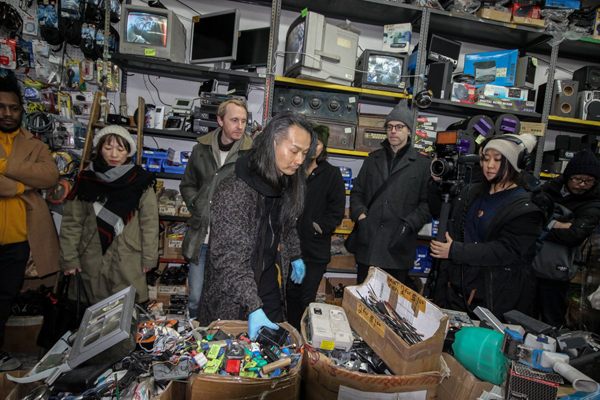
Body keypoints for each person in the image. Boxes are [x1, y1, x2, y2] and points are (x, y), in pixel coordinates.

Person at [198, 112, 316, 339]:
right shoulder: (235, 191)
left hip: (267, 279)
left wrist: (295, 256)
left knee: (275, 348)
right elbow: (229, 259)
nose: (300, 160)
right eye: (294, 151)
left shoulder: (283, 182)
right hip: (233, 289)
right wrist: (253, 306)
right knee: (231, 355)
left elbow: (287, 225)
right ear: (273, 143)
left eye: (304, 153)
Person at [430, 134, 545, 320]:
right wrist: (436, 184)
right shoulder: (472, 192)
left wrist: (455, 251)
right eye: (485, 158)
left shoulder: (525, 207)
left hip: (494, 297)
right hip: (457, 291)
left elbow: (506, 250)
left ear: (515, 162)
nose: (489, 165)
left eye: (497, 159)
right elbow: (438, 211)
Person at [59, 125, 159, 304]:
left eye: (120, 149)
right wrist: (69, 259)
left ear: (128, 151)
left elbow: (150, 222)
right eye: (108, 148)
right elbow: (72, 222)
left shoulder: (140, 181)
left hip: (128, 256)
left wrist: (149, 258)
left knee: (127, 311)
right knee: (91, 314)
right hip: (91, 255)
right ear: (99, 149)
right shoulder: (86, 179)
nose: (114, 154)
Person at [0, 76, 59, 371]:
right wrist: (22, 186)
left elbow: (49, 177)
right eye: (1, 107)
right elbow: (32, 180)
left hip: (17, 242)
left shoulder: (33, 145)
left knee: (4, 299)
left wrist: (5, 168)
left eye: (13, 108)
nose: (7, 113)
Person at [180, 99, 252, 319]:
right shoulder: (200, 150)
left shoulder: (251, 154)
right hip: (202, 236)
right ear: (220, 120)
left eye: (243, 121)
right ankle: (193, 340)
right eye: (234, 120)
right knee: (195, 297)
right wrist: (198, 205)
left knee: (226, 299)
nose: (239, 126)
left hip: (232, 242)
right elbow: (187, 184)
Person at [349, 100, 431, 284]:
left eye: (399, 127)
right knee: (362, 303)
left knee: (391, 307)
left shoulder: (422, 165)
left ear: (409, 130)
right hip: (369, 244)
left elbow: (426, 204)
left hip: (398, 247)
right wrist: (361, 217)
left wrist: (408, 225)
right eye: (390, 127)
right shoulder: (372, 159)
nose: (393, 131)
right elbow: (357, 193)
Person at [286, 125, 346, 330]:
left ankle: (303, 340)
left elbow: (337, 211)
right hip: (289, 248)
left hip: (314, 251)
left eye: (317, 143)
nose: (313, 147)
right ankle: (290, 338)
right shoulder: (293, 170)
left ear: (324, 146)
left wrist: (318, 227)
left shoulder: (332, 174)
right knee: (289, 296)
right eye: (310, 142)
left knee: (305, 298)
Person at [535, 149, 600, 327]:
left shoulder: (592, 204)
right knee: (522, 315)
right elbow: (526, 218)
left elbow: (574, 235)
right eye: (577, 179)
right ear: (568, 176)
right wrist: (554, 225)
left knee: (552, 320)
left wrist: (541, 227)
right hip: (529, 265)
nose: (582, 184)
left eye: (588, 181)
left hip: (556, 271)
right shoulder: (547, 189)